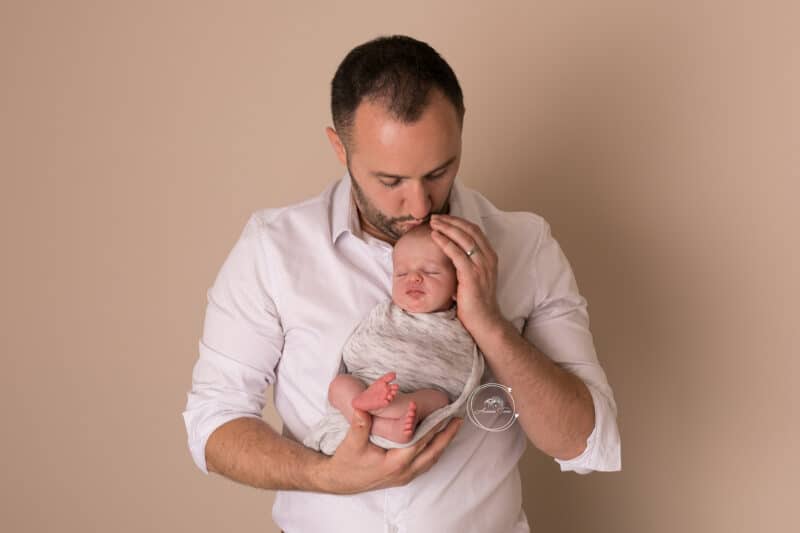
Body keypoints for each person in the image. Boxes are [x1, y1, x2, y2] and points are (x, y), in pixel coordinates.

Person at [183, 35, 621, 532]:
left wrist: (489, 325)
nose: (419, 205)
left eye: (439, 171)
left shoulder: (525, 245)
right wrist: (326, 476)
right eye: (390, 181)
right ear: (339, 147)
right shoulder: (274, 248)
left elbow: (584, 440)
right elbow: (212, 425)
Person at [306, 223, 481, 452]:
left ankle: (383, 413)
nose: (414, 278)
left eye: (430, 271)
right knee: (340, 385)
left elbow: (459, 377)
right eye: (401, 273)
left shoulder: (461, 326)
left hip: (409, 404)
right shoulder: (384, 314)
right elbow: (355, 352)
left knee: (439, 399)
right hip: (366, 386)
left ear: (458, 284)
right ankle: (376, 420)